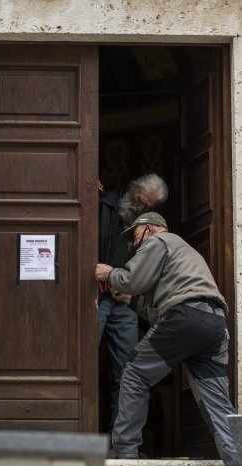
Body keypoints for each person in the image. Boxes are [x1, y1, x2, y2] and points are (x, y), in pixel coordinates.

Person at [94, 212, 242, 466]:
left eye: (135, 237)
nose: (134, 245)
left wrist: (110, 273)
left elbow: (133, 281)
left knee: (134, 373)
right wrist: (131, 299)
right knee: (217, 404)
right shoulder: (183, 252)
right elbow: (158, 301)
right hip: (213, 324)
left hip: (184, 317)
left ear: (149, 229)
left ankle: (125, 452)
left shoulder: (159, 242)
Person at [98, 173, 168, 428]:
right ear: (131, 188)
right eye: (138, 201)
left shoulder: (149, 227)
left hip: (124, 303)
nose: (140, 208)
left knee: (127, 371)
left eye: (147, 206)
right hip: (94, 296)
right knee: (80, 360)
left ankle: (123, 443)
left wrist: (131, 292)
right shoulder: (100, 204)